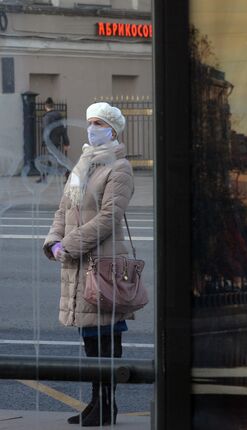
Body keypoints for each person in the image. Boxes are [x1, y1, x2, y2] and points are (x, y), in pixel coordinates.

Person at [42, 102, 134, 426]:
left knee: (107, 342)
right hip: (80, 267)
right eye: (90, 122)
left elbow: (108, 218)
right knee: (91, 343)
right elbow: (63, 209)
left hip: (103, 265)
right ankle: (96, 404)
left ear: (113, 130)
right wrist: (52, 241)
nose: (93, 128)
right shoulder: (81, 165)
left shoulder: (119, 168)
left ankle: (108, 405)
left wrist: (66, 245)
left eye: (99, 123)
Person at [36, 97, 71, 183]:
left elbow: (46, 130)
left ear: (45, 106)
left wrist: (44, 142)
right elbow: (63, 129)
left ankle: (68, 174)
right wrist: (66, 142)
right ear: (53, 106)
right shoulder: (59, 116)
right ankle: (44, 177)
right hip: (57, 141)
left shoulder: (47, 117)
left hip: (50, 142)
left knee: (57, 159)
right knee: (53, 159)